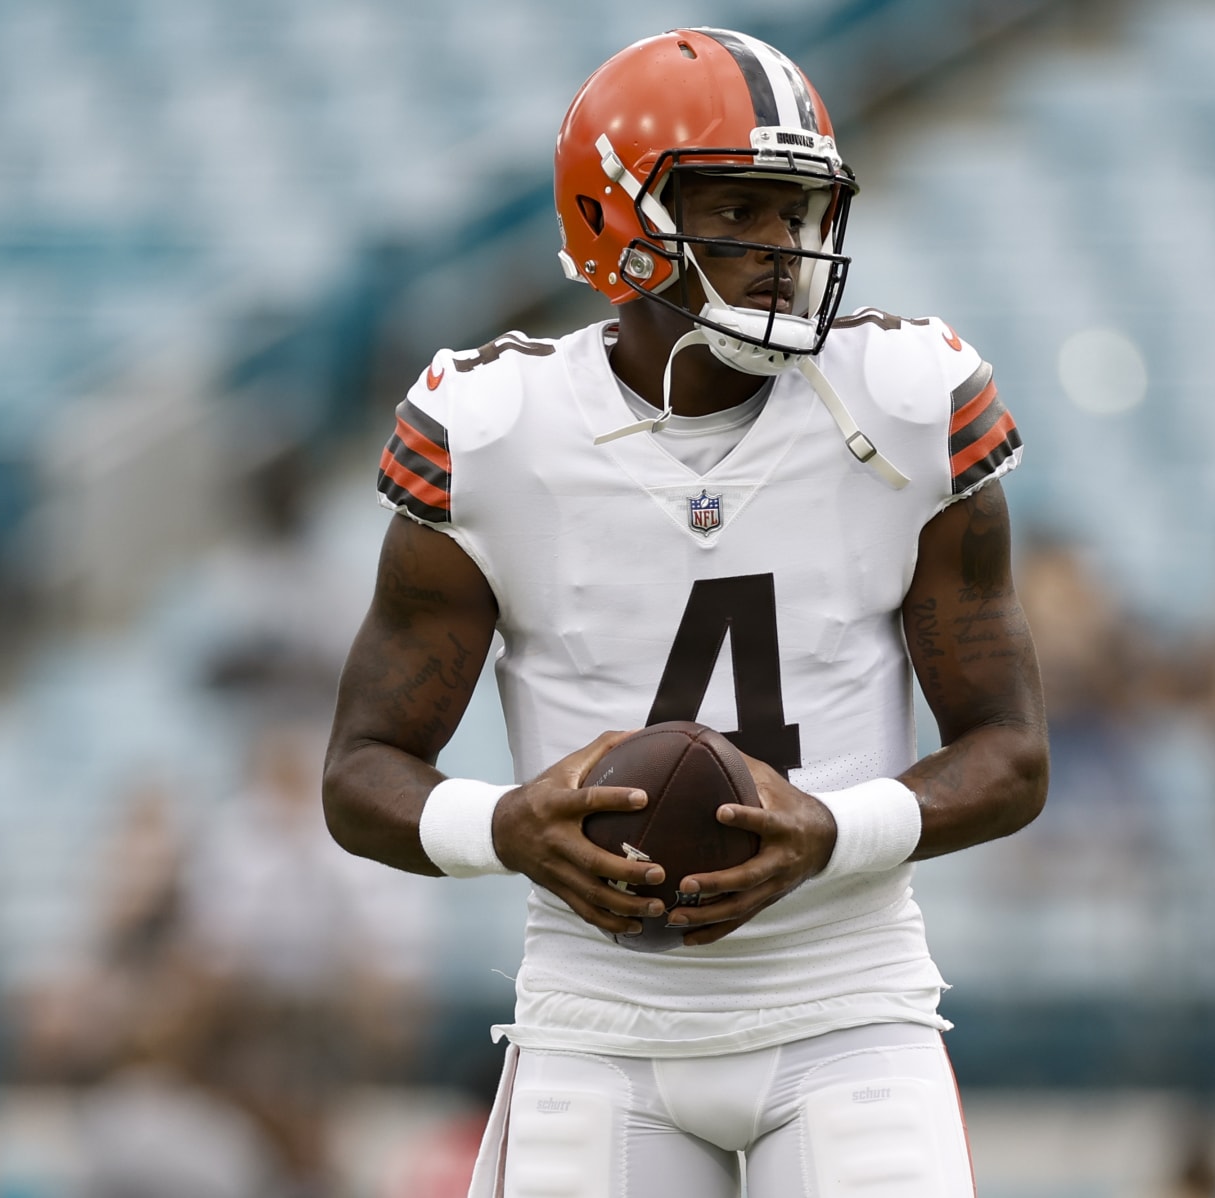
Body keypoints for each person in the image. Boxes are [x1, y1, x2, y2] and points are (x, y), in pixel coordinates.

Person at [323, 27, 1047, 1197]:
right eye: (740, 211)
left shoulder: (907, 403)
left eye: (796, 215)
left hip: (847, 1005)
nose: (782, 251)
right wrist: (504, 824)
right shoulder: (495, 431)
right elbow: (360, 772)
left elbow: (1011, 754)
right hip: (595, 1018)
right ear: (615, 221)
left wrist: (832, 830)